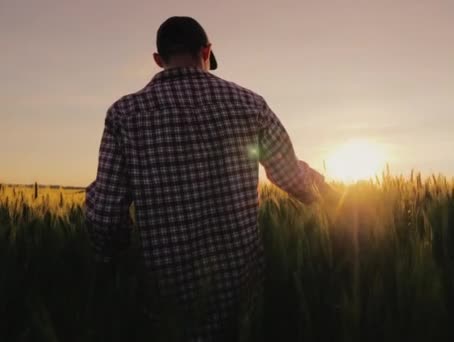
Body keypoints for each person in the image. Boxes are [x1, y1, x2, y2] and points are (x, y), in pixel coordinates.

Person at [85, 16, 331, 341]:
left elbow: (105, 216)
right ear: (207, 51)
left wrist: (110, 262)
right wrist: (337, 200)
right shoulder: (249, 104)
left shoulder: (124, 115)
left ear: (158, 60)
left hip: (165, 304)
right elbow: (292, 178)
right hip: (241, 300)